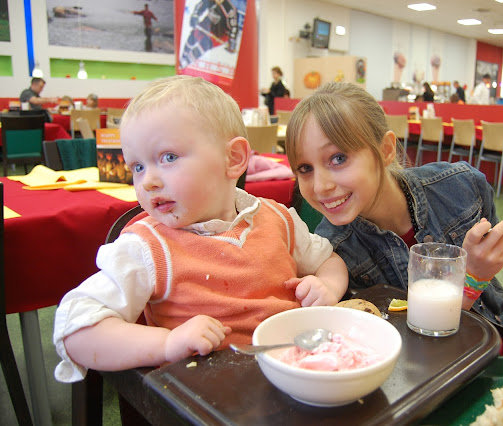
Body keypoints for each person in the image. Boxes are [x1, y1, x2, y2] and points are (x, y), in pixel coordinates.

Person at [53, 76, 348, 383]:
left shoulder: (278, 219)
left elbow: (329, 260)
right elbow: (75, 328)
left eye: (168, 158)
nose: (147, 181)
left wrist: (327, 286)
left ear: (233, 158)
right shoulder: (146, 248)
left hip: (298, 374)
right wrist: (166, 344)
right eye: (137, 167)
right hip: (209, 393)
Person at [284, 82, 503, 337]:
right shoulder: (333, 255)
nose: (320, 186)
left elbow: (497, 242)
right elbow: (413, 346)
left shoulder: (456, 186)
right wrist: (472, 279)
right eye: (305, 168)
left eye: (338, 158)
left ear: (386, 150)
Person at [179, 0, 239, 69]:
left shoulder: (229, 9)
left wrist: (232, 40)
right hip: (207, 23)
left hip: (220, 33)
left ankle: (186, 62)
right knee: (192, 37)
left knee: (203, 45)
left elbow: (234, 27)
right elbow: (199, 6)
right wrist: (195, 16)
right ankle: (183, 56)